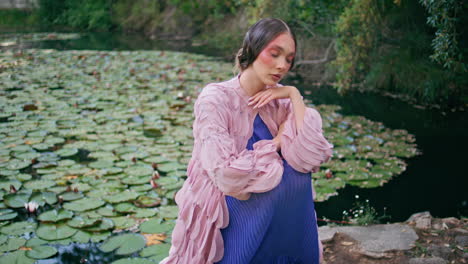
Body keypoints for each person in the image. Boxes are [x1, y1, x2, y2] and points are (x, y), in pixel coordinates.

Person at [160, 18, 333, 264]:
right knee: (273, 187)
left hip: (277, 210)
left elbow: (311, 155)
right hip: (227, 201)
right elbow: (227, 175)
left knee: (296, 178)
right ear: (252, 49)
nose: (282, 65)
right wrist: (276, 144)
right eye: (274, 54)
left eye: (289, 59)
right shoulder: (215, 99)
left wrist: (294, 95)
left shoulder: (280, 99)